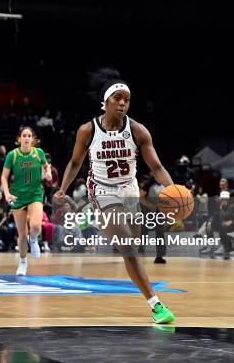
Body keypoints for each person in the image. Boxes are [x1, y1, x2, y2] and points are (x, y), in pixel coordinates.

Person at [53, 67, 175, 324]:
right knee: (128, 245)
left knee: (133, 251)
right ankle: (156, 305)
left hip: (129, 189)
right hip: (102, 190)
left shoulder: (139, 131)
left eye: (126, 99)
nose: (122, 103)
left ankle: (96, 218)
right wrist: (63, 188)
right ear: (105, 102)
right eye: (117, 98)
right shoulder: (88, 130)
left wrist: (173, 189)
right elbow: (75, 163)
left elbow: (157, 167)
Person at [1, 126, 52, 276]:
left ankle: (34, 239)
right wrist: (6, 193)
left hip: (35, 194)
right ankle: (22, 262)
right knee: (22, 234)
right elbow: (4, 177)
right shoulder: (12, 155)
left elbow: (46, 165)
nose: (26, 138)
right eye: (24, 135)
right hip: (17, 197)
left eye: (29, 135)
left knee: (35, 226)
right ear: (19, 139)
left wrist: (48, 173)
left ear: (32, 139)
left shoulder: (39, 153)